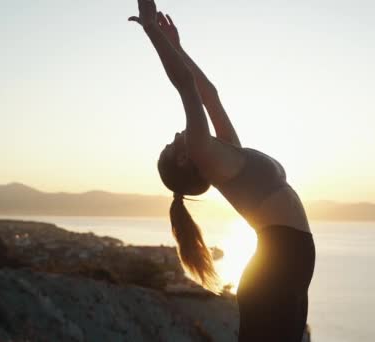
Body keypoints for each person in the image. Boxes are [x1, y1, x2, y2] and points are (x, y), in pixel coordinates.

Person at [129, 1, 315, 341]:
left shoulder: (228, 153)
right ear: (185, 160)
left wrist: (178, 47)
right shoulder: (203, 152)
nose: (174, 136)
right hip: (278, 269)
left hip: (287, 267)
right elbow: (185, 86)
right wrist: (151, 30)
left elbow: (209, 95)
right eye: (171, 145)